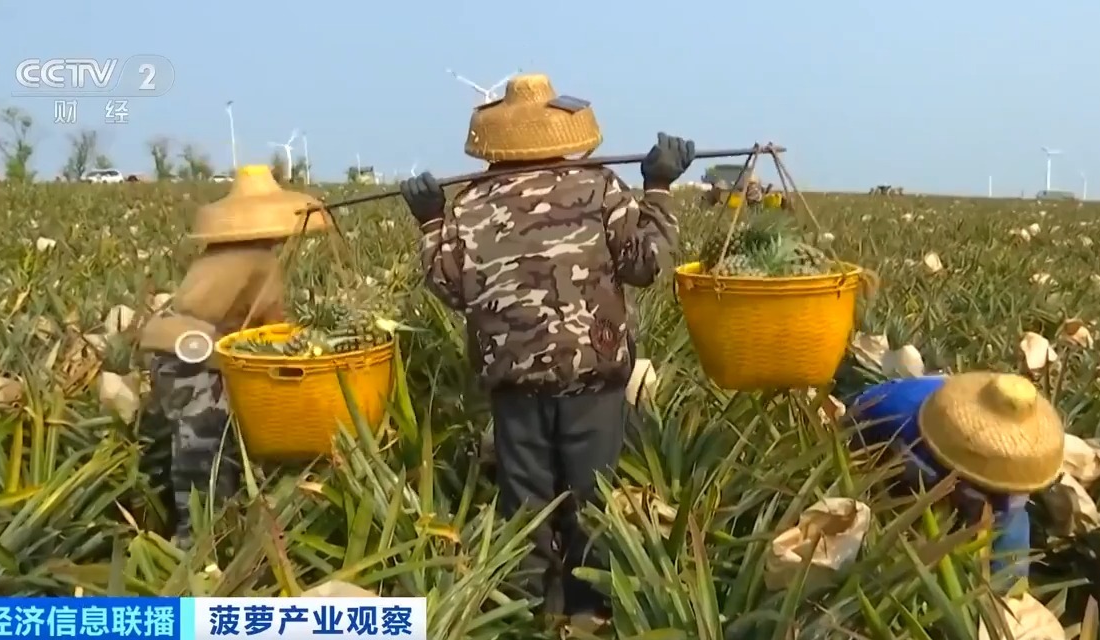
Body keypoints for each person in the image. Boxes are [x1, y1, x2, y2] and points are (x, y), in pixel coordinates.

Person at [398, 73, 695, 620]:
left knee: (525, 504)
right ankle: (590, 612)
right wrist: (657, 188)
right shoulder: (599, 186)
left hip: (512, 378)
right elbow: (645, 265)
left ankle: (524, 612)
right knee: (592, 497)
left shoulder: (471, 202)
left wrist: (431, 222)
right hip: (591, 372)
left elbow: (450, 286)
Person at [137, 164, 326, 546]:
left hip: (166, 348)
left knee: (181, 443)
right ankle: (198, 543)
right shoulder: (261, 260)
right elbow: (271, 326)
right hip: (193, 356)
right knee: (206, 448)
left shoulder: (217, 253)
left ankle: (169, 522)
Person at [846, 372, 1065, 589]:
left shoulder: (1013, 478)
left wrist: (1004, 593)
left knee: (1008, 574)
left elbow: (1008, 553)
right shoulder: (897, 410)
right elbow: (853, 424)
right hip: (896, 467)